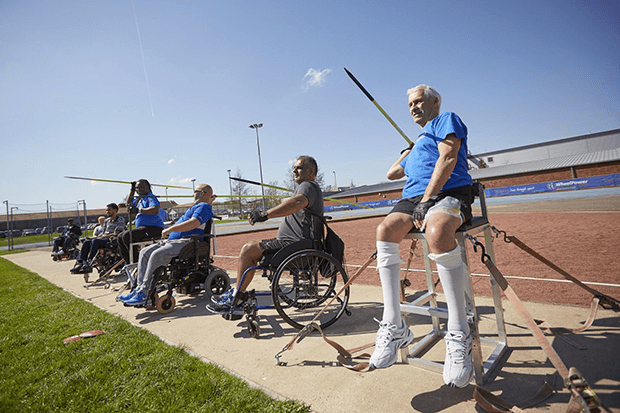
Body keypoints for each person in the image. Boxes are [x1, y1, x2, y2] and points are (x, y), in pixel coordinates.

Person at [370, 85, 475, 388]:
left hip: (446, 192)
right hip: (413, 197)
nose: (413, 107)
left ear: (434, 102)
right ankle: (394, 324)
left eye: (419, 102)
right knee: (385, 230)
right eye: (410, 105)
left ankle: (459, 331)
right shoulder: (418, 142)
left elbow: (448, 156)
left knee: (438, 230)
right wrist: (408, 152)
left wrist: (428, 200)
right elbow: (392, 173)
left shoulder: (446, 121)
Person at [207, 155, 323, 317]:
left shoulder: (307, 186)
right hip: (292, 244)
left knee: (248, 250)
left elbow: (297, 202)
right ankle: (237, 294)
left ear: (311, 172)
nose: (294, 170)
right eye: (294, 167)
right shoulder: (307, 187)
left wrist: (265, 214)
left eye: (299, 168)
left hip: (295, 246)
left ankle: (236, 296)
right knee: (252, 248)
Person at [118, 184, 216, 306]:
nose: (193, 193)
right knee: (144, 252)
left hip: (186, 243)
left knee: (156, 255)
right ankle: (138, 289)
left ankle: (144, 293)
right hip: (173, 241)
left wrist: (170, 230)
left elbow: (194, 222)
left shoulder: (204, 206)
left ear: (202, 193)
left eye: (195, 191)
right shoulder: (198, 206)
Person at [117, 179, 164, 264]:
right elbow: (129, 204)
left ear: (148, 187)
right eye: (137, 188)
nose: (139, 190)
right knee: (120, 236)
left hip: (154, 228)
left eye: (141, 187)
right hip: (143, 228)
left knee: (127, 235)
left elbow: (155, 209)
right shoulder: (140, 199)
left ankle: (136, 260)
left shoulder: (150, 197)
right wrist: (132, 190)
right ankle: (128, 261)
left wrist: (139, 210)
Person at [71, 204, 126, 274]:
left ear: (115, 210)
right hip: (103, 239)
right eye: (106, 210)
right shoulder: (107, 221)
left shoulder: (120, 220)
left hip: (112, 240)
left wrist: (100, 238)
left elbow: (116, 233)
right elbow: (103, 233)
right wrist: (94, 238)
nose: (107, 212)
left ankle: (89, 261)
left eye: (109, 210)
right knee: (86, 242)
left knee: (96, 241)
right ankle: (81, 262)